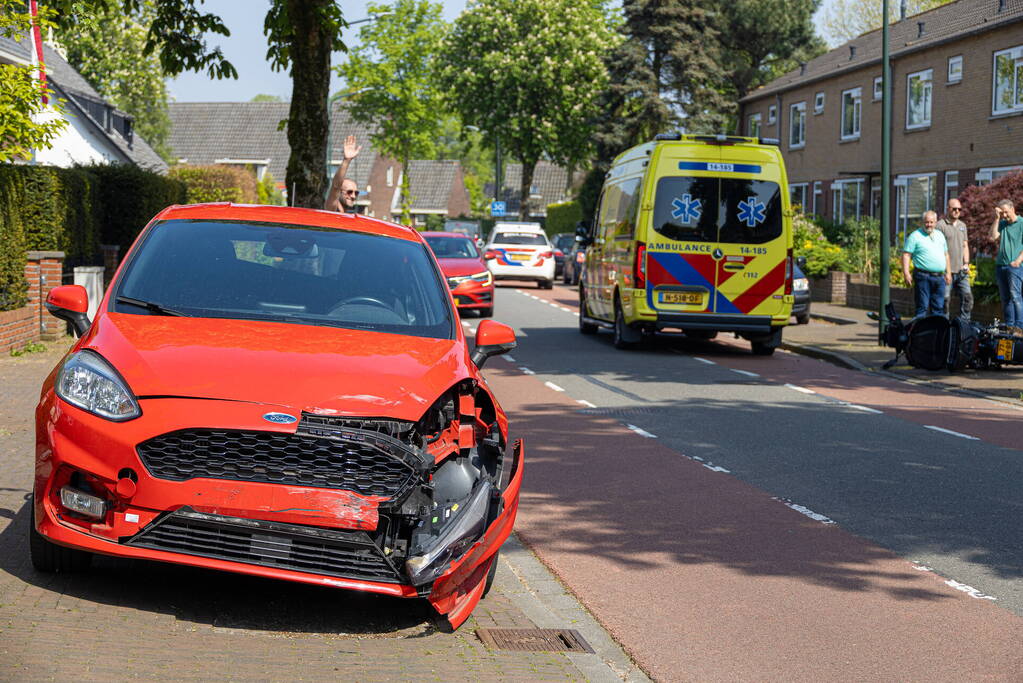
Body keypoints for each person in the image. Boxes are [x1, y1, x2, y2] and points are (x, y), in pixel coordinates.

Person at [902, 210, 951, 318]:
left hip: (939, 278)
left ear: (936, 222)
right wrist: (906, 273)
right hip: (922, 276)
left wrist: (948, 273)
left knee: (938, 308)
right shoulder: (915, 236)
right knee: (922, 308)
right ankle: (919, 334)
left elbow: (946, 255)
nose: (929, 225)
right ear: (922, 222)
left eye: (931, 222)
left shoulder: (940, 235)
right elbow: (906, 255)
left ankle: (935, 333)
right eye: (926, 222)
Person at [935, 198, 972, 321]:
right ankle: (943, 327)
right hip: (946, 272)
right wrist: (945, 270)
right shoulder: (940, 225)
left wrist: (966, 263)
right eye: (954, 209)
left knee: (967, 298)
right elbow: (937, 247)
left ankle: (964, 326)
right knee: (945, 301)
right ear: (948, 209)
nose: (957, 211)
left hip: (962, 272)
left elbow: (965, 245)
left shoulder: (963, 226)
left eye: (959, 209)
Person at [990, 198, 1023, 335]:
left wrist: (1018, 260)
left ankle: (1019, 328)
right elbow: (992, 237)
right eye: (1002, 213)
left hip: (1015, 266)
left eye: (1006, 212)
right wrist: (997, 219)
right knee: (1006, 299)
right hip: (1001, 266)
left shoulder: (1021, 223)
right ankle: (1010, 327)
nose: (1004, 215)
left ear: (1013, 209)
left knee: (1016, 296)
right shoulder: (1002, 223)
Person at [325, 134, 363, 213]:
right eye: (349, 192)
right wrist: (347, 160)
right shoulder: (332, 211)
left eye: (356, 193)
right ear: (339, 192)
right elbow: (335, 186)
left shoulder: (347, 216)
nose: (353, 196)